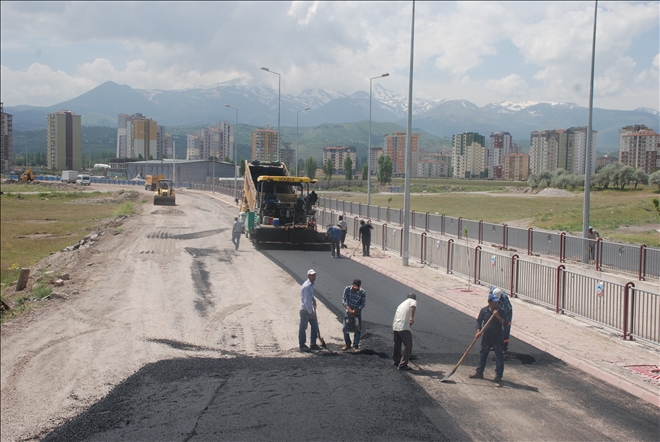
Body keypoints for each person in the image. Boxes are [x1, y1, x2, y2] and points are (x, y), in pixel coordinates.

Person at [469, 291, 506, 382]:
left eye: (497, 302)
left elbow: (504, 323)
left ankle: (498, 376)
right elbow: (478, 322)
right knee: (483, 354)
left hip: (497, 337)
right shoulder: (484, 311)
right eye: (494, 302)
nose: (496, 303)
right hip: (486, 337)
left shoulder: (500, 311)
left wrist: (497, 316)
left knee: (499, 357)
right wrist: (478, 331)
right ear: (489, 301)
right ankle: (479, 372)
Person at [392, 293, 417, 370]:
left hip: (395, 326)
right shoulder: (412, 301)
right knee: (408, 345)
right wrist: (411, 318)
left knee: (397, 344)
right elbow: (413, 306)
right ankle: (403, 364)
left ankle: (396, 361)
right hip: (404, 327)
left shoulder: (401, 304)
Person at [342, 278, 366, 352]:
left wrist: (355, 310)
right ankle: (347, 344)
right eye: (354, 286)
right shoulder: (347, 289)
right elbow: (344, 300)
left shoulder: (362, 292)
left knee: (357, 329)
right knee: (345, 328)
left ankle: (355, 346)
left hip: (357, 313)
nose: (355, 288)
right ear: (352, 284)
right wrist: (349, 309)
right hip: (348, 312)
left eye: (357, 287)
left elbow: (362, 303)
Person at [299, 269, 320, 352]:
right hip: (305, 311)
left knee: (315, 326)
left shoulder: (311, 285)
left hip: (309, 309)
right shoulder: (307, 286)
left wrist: (313, 299)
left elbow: (310, 296)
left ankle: (313, 344)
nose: (314, 277)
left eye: (314, 275)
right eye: (312, 275)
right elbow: (306, 301)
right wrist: (310, 312)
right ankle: (302, 345)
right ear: (308, 276)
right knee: (303, 328)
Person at [490, 286, 513, 353]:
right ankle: (492, 344)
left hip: (507, 312)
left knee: (506, 329)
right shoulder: (493, 290)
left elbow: (503, 314)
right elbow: (491, 287)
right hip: (496, 310)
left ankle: (504, 346)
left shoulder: (504, 300)